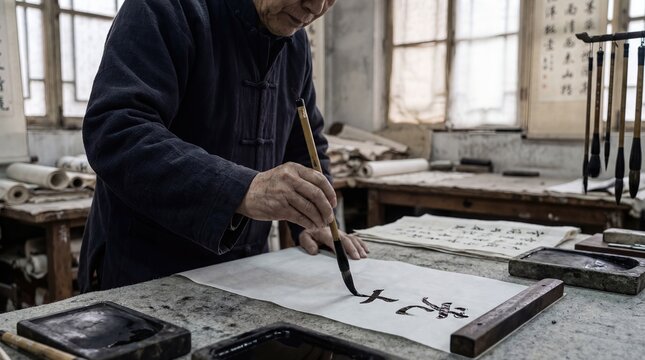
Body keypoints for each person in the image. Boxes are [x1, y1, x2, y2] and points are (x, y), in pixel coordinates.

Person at [79, 0, 368, 292]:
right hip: (145, 272)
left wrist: (311, 215)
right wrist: (243, 189)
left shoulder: (295, 44)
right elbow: (117, 130)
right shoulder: (166, 7)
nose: (316, 7)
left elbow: (303, 141)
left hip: (244, 274)